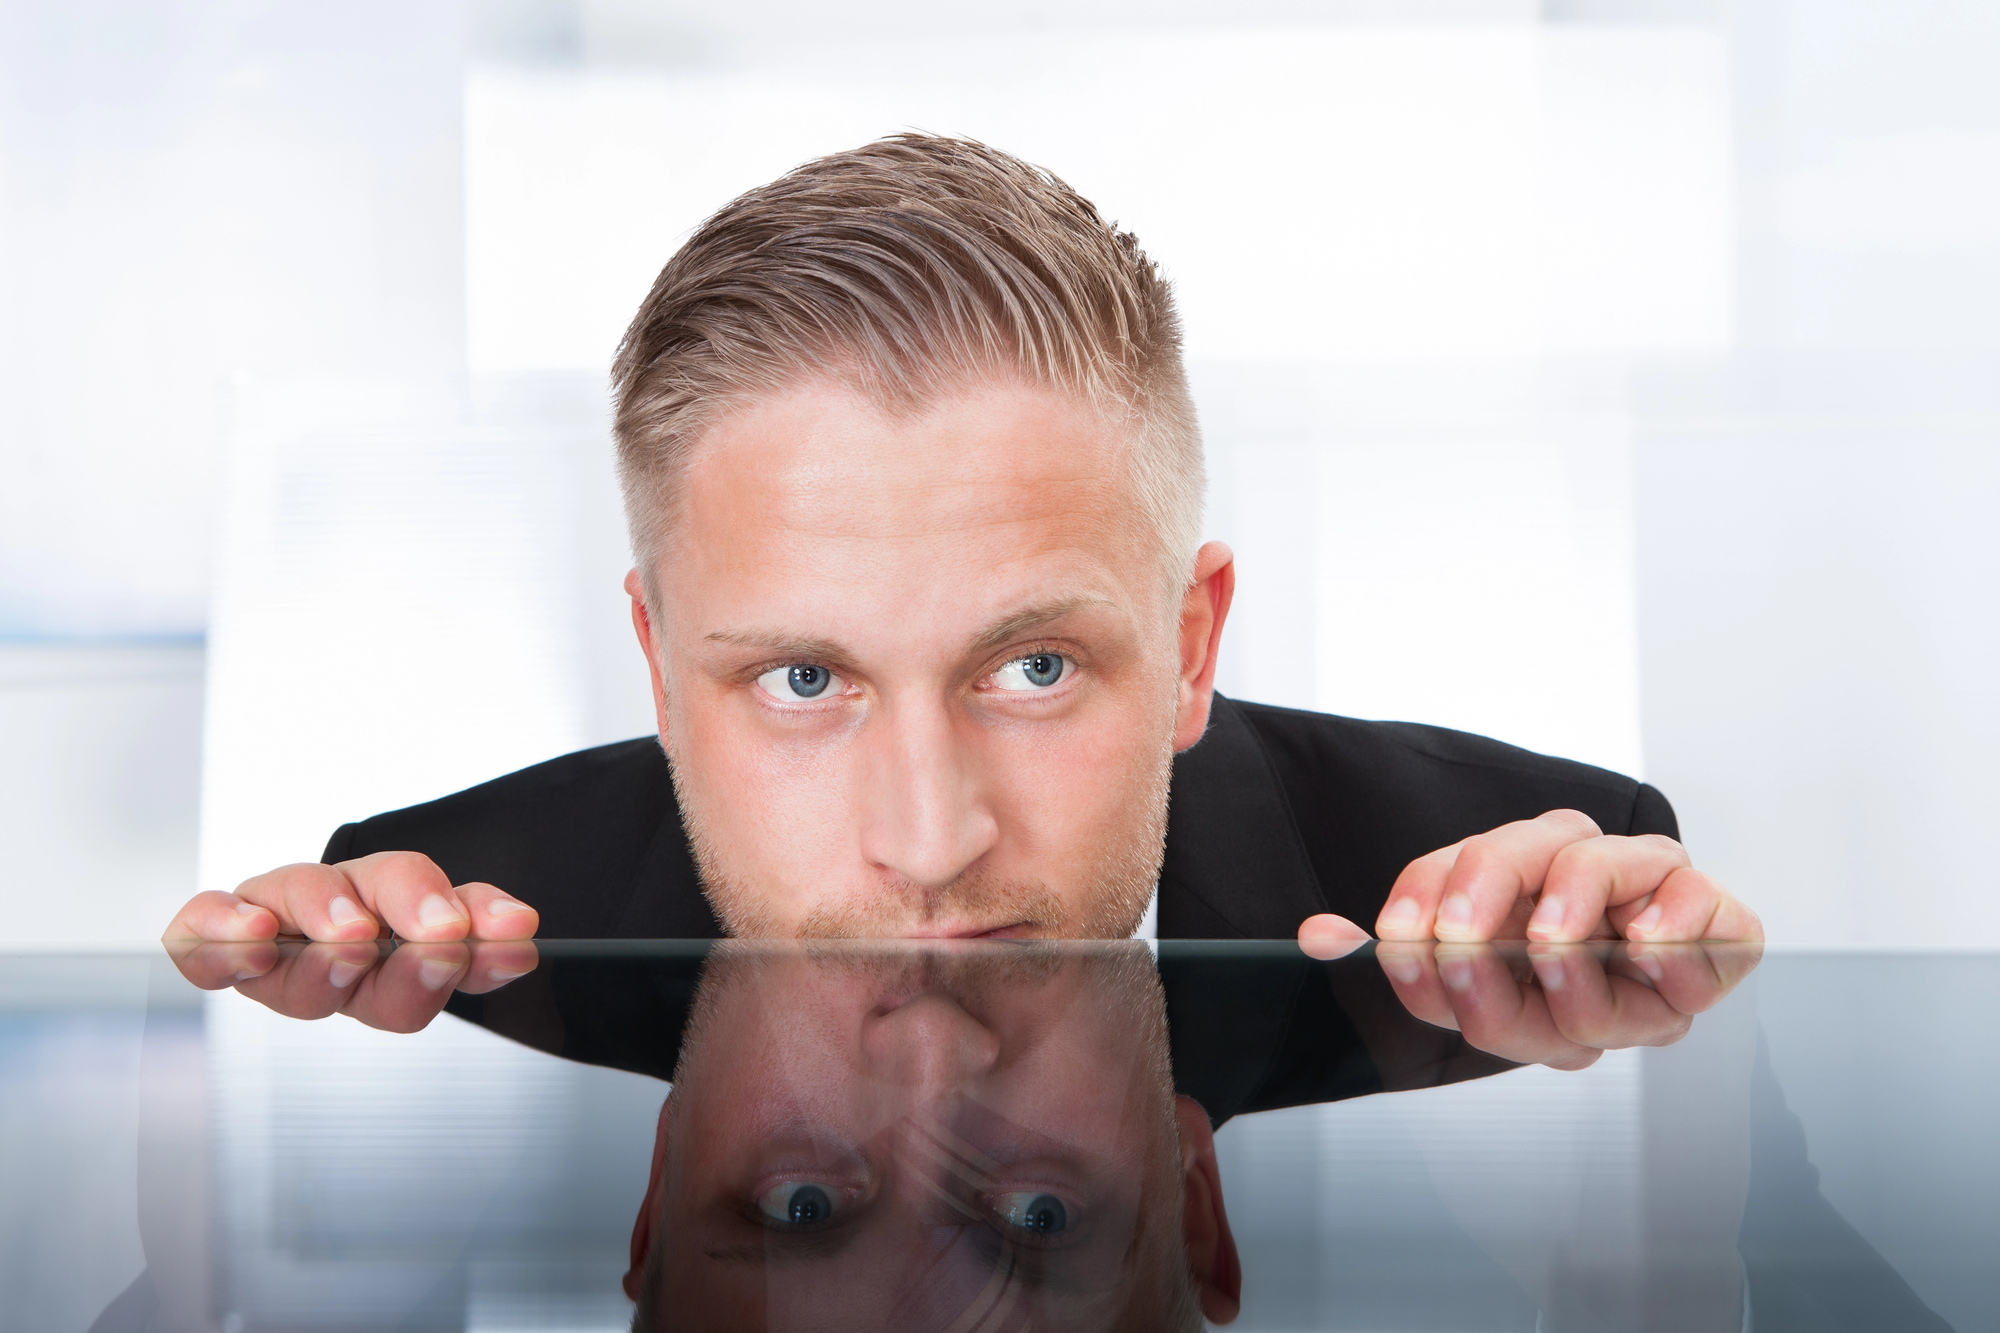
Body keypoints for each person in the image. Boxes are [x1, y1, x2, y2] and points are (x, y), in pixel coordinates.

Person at [162, 134, 1761, 952]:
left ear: (1193, 641)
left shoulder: (1540, 911)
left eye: (1036, 664)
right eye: (804, 675)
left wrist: (1656, 1226)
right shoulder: (450, 956)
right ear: (659, 662)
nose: (929, 844)